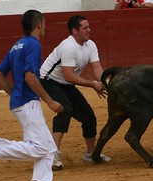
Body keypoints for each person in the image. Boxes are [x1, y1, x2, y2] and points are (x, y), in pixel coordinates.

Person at [0, 9, 63, 181]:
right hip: (28, 103)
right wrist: (50, 101)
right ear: (39, 24)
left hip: (19, 102)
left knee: (49, 148)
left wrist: (15, 93)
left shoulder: (17, 45)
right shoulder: (33, 45)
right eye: (45, 23)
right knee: (40, 147)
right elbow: (30, 77)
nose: (45, 27)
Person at [40, 15, 110, 170]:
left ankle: (91, 154)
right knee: (64, 109)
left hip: (66, 83)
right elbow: (69, 75)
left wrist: (106, 83)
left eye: (88, 26)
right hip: (48, 81)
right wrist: (92, 84)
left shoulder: (90, 45)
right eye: (85, 28)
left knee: (88, 116)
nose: (89, 30)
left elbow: (97, 69)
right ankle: (52, 155)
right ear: (75, 31)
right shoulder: (68, 46)